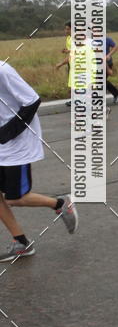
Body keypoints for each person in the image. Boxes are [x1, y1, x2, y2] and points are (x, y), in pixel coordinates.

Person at [0, 62, 78, 261]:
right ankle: (21, 243)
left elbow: (32, 101)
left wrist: (7, 132)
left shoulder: (3, 71)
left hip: (17, 146)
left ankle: (60, 204)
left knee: (14, 198)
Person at [55, 21, 72, 107]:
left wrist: (60, 64)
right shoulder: (68, 38)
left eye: (68, 29)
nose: (66, 31)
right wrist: (66, 50)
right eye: (65, 29)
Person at [104, 34, 118, 103]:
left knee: (100, 80)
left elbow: (115, 47)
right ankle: (116, 92)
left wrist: (109, 55)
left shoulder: (107, 39)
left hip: (107, 63)